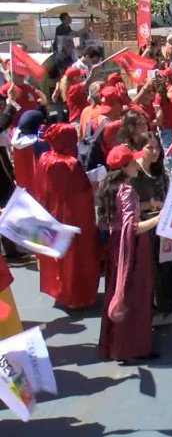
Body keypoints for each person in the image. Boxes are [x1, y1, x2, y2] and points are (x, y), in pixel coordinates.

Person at [97, 145, 160, 363]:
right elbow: (132, 228)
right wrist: (161, 218)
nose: (137, 165)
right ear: (124, 168)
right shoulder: (126, 191)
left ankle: (115, 344)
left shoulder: (110, 188)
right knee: (135, 295)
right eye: (133, 162)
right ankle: (132, 347)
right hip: (132, 251)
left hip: (116, 248)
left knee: (117, 290)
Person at [35, 123, 101, 310]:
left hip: (50, 215)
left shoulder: (44, 158)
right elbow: (81, 191)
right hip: (72, 217)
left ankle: (62, 292)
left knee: (58, 259)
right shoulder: (68, 163)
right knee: (77, 258)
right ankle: (77, 296)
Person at [132, 133, 172, 326]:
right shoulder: (134, 172)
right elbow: (128, 204)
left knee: (165, 266)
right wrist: (151, 205)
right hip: (145, 227)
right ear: (139, 149)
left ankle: (166, 307)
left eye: (156, 148)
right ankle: (151, 308)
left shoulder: (160, 170)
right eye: (149, 148)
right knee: (150, 269)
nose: (154, 152)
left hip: (164, 225)